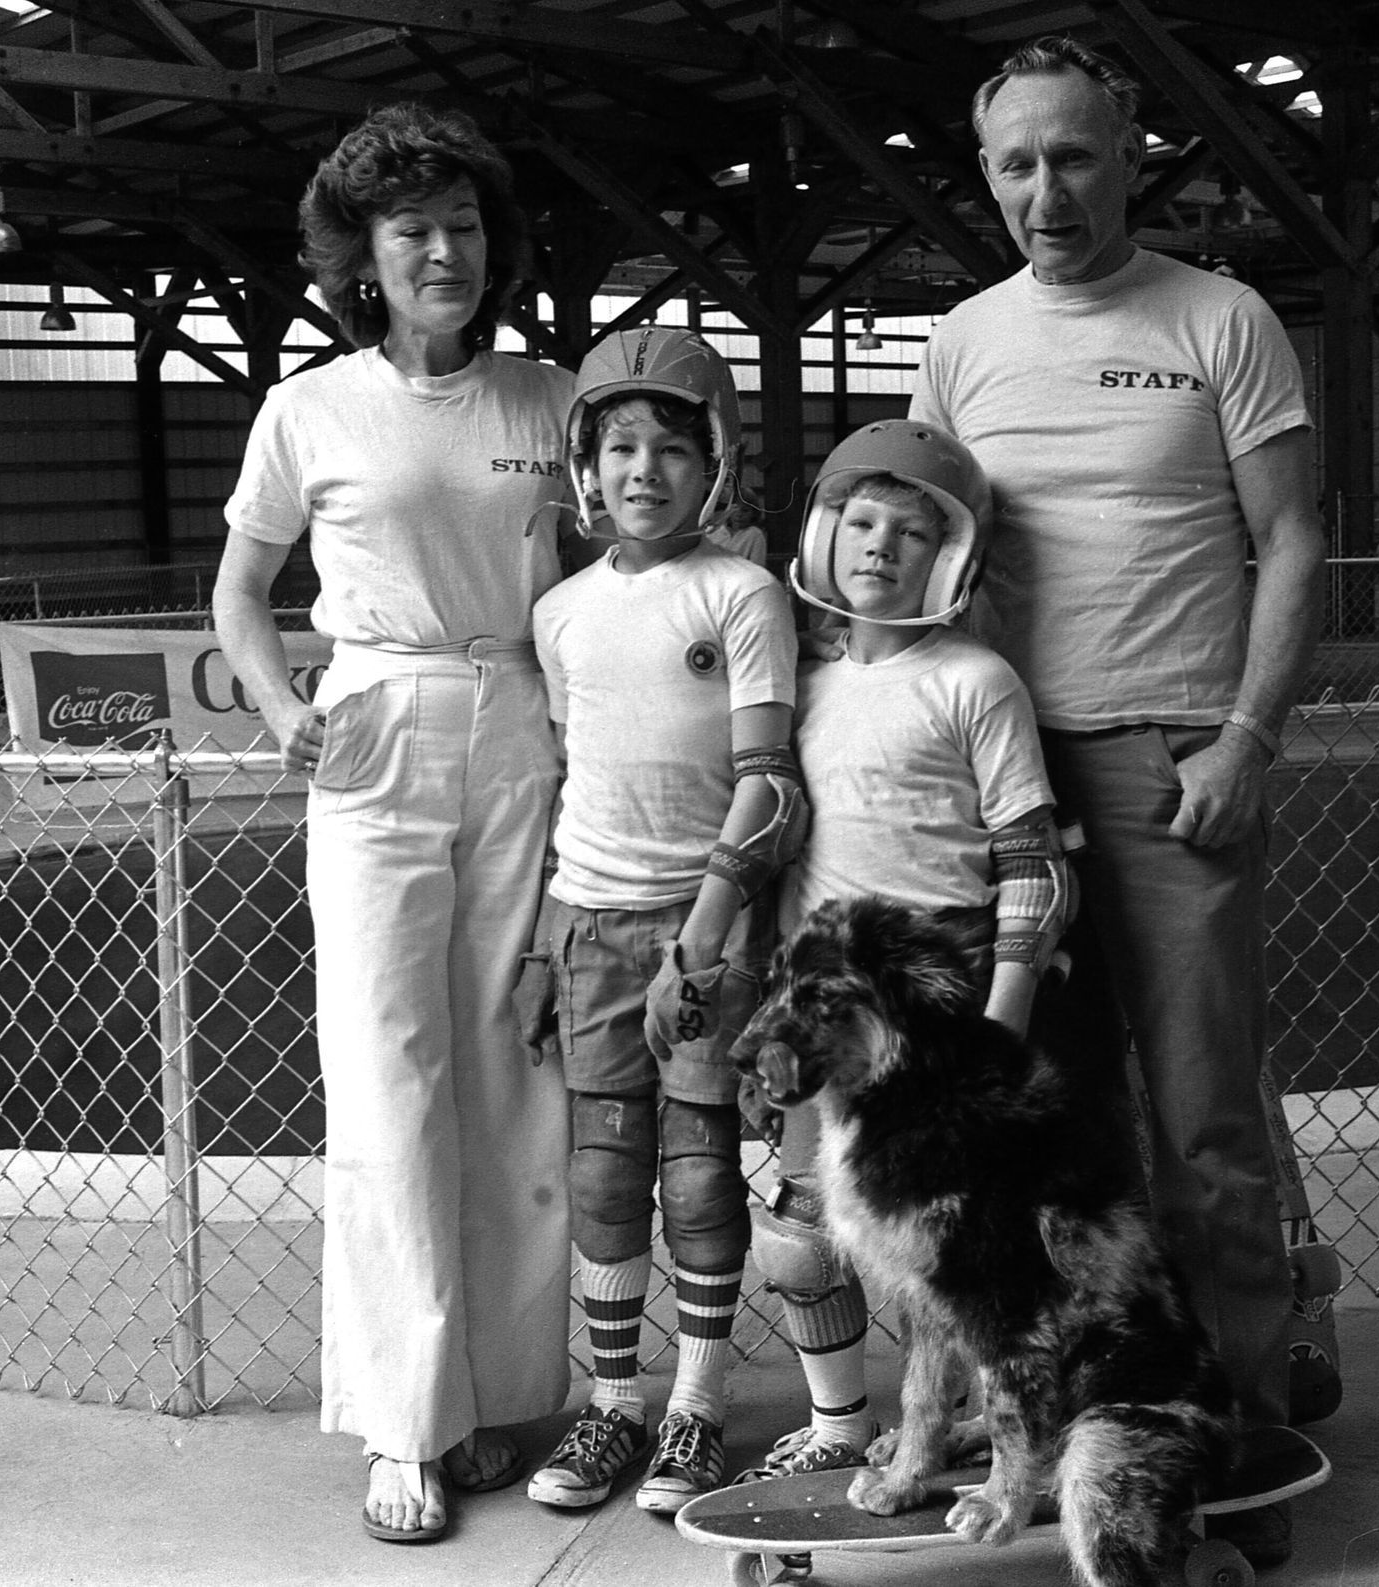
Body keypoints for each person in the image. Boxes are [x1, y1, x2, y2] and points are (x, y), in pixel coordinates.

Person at [908, 35, 1329, 1567]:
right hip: (1017, 779)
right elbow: (925, 558)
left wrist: (1247, 738)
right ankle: (1087, 1419)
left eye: (1074, 155)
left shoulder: (1221, 317)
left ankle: (1241, 1424)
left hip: (1175, 763)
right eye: (1017, 163)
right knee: (1053, 1139)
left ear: (1130, 156)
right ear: (988, 176)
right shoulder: (961, 343)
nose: (1048, 189)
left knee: (1207, 1122)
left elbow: (1294, 538)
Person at [210, 102, 573, 1544]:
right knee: (386, 1071)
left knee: (512, 1066)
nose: (443, 252)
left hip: (523, 718)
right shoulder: (309, 408)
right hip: (374, 723)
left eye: (464, 225)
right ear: (361, 254)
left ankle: (497, 1392)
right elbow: (241, 592)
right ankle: (401, 1423)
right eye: (412, 229)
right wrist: (278, 706)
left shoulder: (553, 401)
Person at [736, 420, 1074, 1485]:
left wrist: (1001, 1024)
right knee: (802, 1236)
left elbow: (1035, 866)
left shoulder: (975, 680)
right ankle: (840, 1419)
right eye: (863, 522)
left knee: (953, 1243)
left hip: (941, 1014)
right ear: (823, 535)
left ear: (951, 556)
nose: (881, 546)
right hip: (830, 1018)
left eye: (912, 532)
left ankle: (957, 1422)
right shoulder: (804, 685)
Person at [519, 325, 802, 1515]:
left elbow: (769, 783)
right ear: (586, 465)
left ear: (715, 462)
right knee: (602, 1173)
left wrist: (708, 932)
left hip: (703, 935)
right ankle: (614, 1406)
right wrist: (544, 943)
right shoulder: (560, 613)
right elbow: (573, 780)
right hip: (589, 925)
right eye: (622, 447)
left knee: (695, 1175)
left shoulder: (742, 595)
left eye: (673, 449)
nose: (645, 471)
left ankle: (696, 1407)